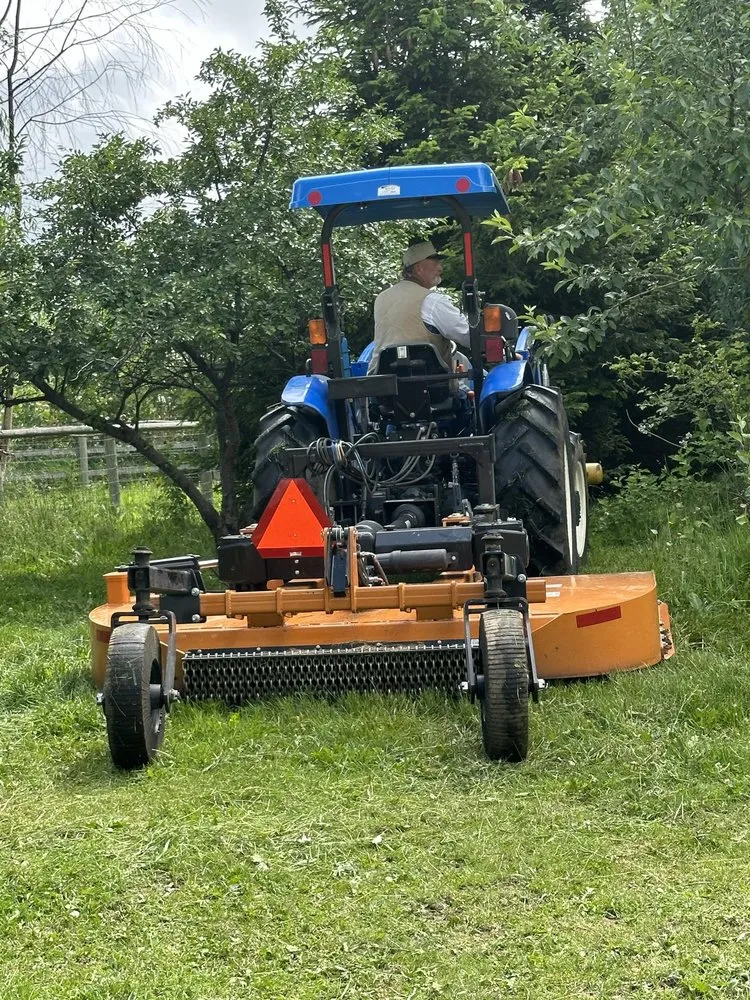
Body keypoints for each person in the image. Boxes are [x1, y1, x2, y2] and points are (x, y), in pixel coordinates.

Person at [367, 240, 471, 375]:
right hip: (430, 387)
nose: (440, 268)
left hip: (381, 385)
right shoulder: (432, 301)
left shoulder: (381, 298)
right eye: (435, 262)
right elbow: (467, 335)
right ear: (418, 268)